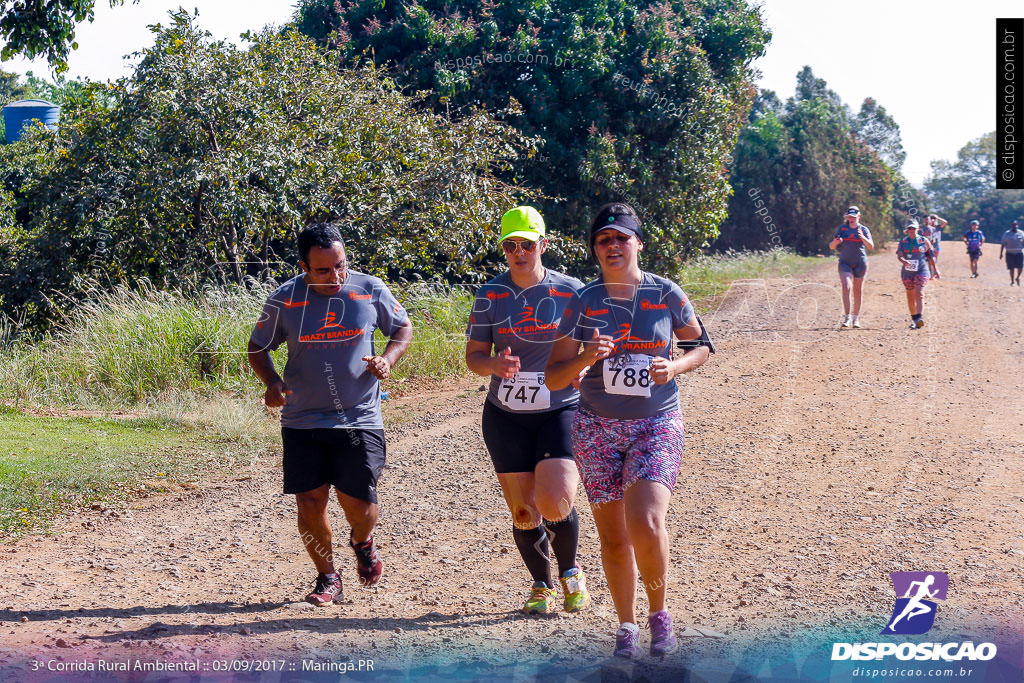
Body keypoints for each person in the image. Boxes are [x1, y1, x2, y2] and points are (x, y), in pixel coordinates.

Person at [546, 203, 713, 659]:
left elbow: (701, 347)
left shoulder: (666, 293)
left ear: (638, 243)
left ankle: (660, 617)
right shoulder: (582, 302)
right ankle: (626, 625)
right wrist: (585, 358)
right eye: (604, 240)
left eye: (622, 238)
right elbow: (554, 377)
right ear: (595, 250)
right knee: (614, 537)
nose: (613, 246)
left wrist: (673, 365)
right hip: (596, 426)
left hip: (656, 423)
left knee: (647, 520)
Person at [247, 222, 413, 606]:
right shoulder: (285, 299)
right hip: (303, 418)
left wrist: (387, 360)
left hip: (359, 416)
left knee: (360, 505)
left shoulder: (369, 289)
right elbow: (257, 347)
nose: (336, 276)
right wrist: (272, 383)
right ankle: (327, 577)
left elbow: (403, 328)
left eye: (340, 265)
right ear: (303, 267)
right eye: (323, 269)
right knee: (309, 500)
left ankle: (362, 541)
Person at [464, 206, 592, 615]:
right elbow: (473, 357)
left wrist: (583, 369)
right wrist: (493, 366)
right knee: (523, 511)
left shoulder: (571, 291)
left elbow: (594, 346)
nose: (519, 252)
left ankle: (571, 572)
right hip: (505, 413)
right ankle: (542, 585)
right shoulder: (491, 294)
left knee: (554, 501)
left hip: (559, 408)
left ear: (543, 245)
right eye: (510, 245)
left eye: (527, 244)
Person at [828, 206, 874, 328]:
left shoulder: (864, 229)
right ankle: (847, 317)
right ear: (847, 217)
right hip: (845, 262)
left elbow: (871, 246)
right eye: (849, 217)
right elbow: (831, 246)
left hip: (860, 263)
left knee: (857, 291)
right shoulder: (842, 228)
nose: (851, 219)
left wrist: (862, 237)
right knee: (846, 286)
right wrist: (836, 242)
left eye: (854, 217)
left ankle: (856, 319)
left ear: (859, 217)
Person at [897, 220, 939, 329]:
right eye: (909, 228)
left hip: (922, 270)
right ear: (907, 230)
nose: (911, 230)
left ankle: (919, 317)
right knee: (910, 295)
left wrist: (936, 270)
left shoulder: (924, 241)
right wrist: (903, 260)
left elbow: (930, 256)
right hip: (907, 272)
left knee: (919, 292)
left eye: (913, 228)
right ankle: (914, 319)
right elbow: (899, 255)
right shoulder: (903, 241)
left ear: (917, 229)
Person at [1000, 220, 1024, 286]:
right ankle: (1012, 281)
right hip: (1009, 253)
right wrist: (1001, 253)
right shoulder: (1007, 233)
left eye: (1016, 224)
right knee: (1011, 268)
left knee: (1020, 267)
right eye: (1013, 225)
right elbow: (1003, 243)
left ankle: (1018, 277)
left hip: (1019, 252)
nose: (1015, 226)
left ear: (1017, 225)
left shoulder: (1021, 233)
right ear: (1011, 225)